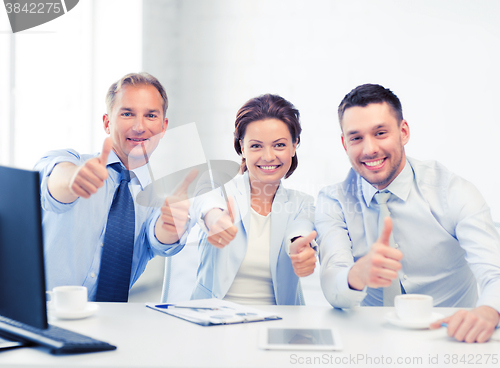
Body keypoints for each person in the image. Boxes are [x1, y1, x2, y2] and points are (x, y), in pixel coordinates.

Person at [316, 83, 500, 343]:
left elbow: (495, 273)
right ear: (345, 143)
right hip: (368, 342)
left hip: (449, 338)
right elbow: (331, 284)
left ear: (403, 132)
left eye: (380, 133)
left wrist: (489, 310)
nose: (369, 149)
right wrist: (357, 274)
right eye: (356, 138)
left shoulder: (453, 193)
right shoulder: (332, 201)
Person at [35, 72, 194, 302]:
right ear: (107, 123)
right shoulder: (72, 162)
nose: (140, 127)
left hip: (106, 327)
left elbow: (160, 240)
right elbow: (54, 182)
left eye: (151, 115)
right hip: (43, 319)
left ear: (163, 126)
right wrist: (74, 180)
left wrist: (172, 227)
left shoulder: (157, 201)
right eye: (127, 114)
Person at [189, 94, 317, 305]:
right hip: (213, 322)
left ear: (294, 146)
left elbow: (301, 229)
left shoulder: (302, 203)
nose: (268, 156)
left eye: (279, 145)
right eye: (256, 146)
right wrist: (215, 219)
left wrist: (299, 247)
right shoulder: (218, 187)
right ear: (242, 147)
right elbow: (206, 202)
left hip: (279, 325)